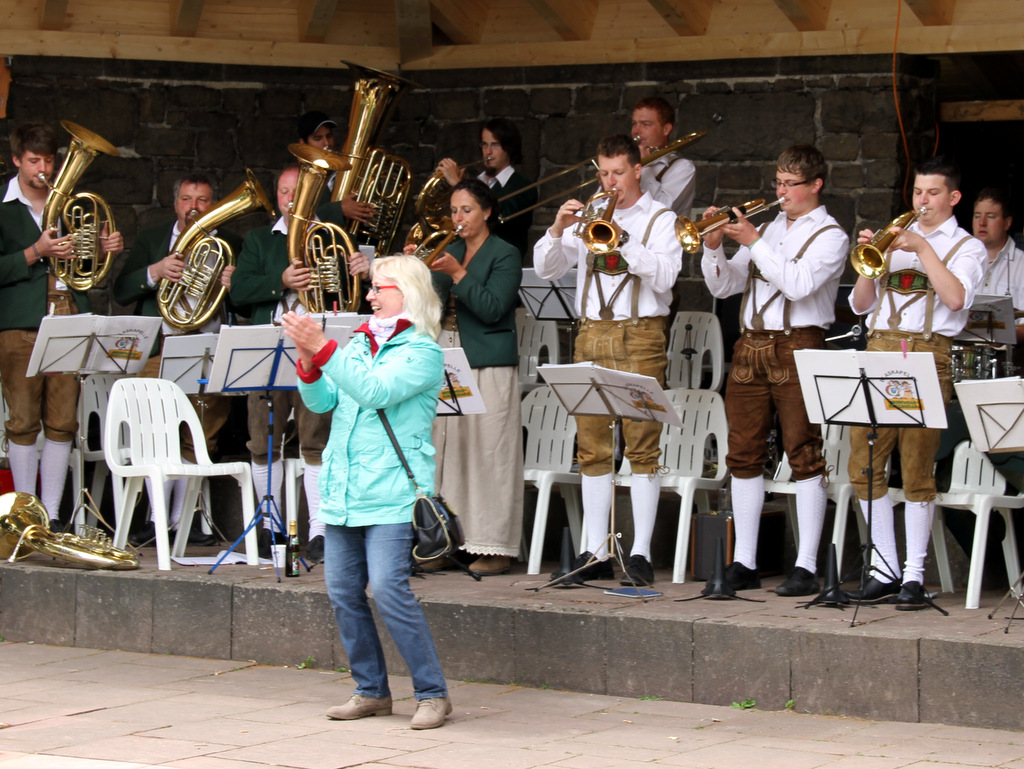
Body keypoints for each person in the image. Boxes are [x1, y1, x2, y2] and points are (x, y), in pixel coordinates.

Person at [281, 255, 451, 730]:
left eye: (380, 287)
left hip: (392, 490)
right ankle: (371, 691)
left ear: (408, 292)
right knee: (342, 593)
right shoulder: (358, 342)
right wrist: (309, 364)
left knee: (390, 591)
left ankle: (432, 693)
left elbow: (374, 392)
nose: (370, 295)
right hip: (344, 487)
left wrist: (324, 349)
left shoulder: (423, 351)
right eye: (372, 287)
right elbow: (323, 402)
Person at [533, 133, 682, 586]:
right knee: (592, 446)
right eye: (603, 173)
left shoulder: (661, 218)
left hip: (640, 335)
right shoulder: (589, 216)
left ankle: (640, 554)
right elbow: (546, 269)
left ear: (638, 170)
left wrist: (623, 239)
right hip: (591, 333)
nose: (610, 182)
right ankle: (595, 551)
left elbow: (666, 277)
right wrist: (557, 229)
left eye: (618, 172)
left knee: (642, 445)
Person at [700, 145, 849, 595]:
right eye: (777, 183)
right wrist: (712, 249)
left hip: (798, 344)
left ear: (815, 185)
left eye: (790, 184)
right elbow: (725, 286)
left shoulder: (831, 235)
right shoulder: (766, 228)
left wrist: (753, 241)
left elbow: (797, 285)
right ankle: (745, 560)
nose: (781, 192)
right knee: (743, 452)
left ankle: (806, 566)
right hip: (751, 344)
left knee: (802, 450)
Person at [847, 155, 987, 609]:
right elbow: (860, 306)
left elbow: (957, 299)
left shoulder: (967, 247)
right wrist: (871, 262)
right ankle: (884, 568)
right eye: (917, 192)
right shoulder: (894, 239)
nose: (922, 201)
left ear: (953, 197)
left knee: (916, 468)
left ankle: (913, 575)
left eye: (932, 193)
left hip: (927, 354)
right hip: (878, 349)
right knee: (864, 464)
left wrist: (923, 248)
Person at [0, 122, 123, 528]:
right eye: (34, 160)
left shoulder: (71, 205)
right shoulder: (2, 205)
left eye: (49, 160)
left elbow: (86, 267)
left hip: (69, 316)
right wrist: (35, 251)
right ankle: (24, 514)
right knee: (22, 420)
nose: (44, 169)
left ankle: (50, 515)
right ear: (16, 160)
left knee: (63, 420)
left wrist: (101, 249)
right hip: (20, 322)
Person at [113, 172, 242, 546]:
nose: (194, 207)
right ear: (175, 204)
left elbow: (246, 301)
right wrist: (155, 271)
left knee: (199, 437)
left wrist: (234, 284)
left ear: (214, 205)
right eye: (187, 199)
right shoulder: (154, 238)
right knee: (157, 436)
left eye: (202, 200)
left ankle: (181, 522)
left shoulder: (231, 244)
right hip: (163, 347)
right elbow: (122, 291)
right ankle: (156, 521)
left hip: (208, 349)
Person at [417, 178, 523, 575]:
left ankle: (495, 547)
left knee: (489, 450)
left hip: (489, 361)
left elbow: (494, 307)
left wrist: (459, 274)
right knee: (448, 447)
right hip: (447, 353)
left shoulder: (505, 253)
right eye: (454, 211)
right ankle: (445, 540)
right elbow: (425, 306)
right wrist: (416, 272)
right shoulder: (451, 250)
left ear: (487, 212)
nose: (458, 218)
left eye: (467, 210)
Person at [229, 164, 332, 563]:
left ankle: (319, 530)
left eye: (299, 191)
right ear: (277, 198)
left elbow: (348, 293)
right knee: (262, 439)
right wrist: (281, 281)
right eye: (286, 192)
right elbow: (240, 292)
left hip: (315, 346)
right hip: (268, 346)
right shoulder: (259, 240)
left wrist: (355, 269)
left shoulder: (330, 236)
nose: (292, 199)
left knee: (316, 439)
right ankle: (270, 526)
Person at [435, 118, 537, 258]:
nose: (488, 151)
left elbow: (495, 220)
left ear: (508, 148)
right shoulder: (474, 181)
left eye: (495, 145)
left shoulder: (524, 187)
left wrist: (458, 185)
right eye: (484, 144)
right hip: (463, 259)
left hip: (499, 262)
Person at [297, 110, 375, 227]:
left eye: (329, 136)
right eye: (318, 138)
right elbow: (292, 218)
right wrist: (339, 209)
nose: (326, 143)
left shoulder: (346, 172)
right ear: (303, 144)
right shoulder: (294, 178)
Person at [972, 188, 1024, 342]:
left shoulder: (1021, 264)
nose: (982, 223)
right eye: (977, 216)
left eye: (991, 217)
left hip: (1008, 353)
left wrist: (997, 336)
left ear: (1007, 223)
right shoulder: (960, 261)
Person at [631, 97, 697, 219]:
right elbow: (596, 206)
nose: (636, 130)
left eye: (645, 124)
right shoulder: (626, 164)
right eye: (634, 124)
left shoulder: (682, 167)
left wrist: (645, 166)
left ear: (666, 129)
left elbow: (662, 210)